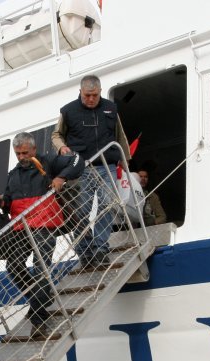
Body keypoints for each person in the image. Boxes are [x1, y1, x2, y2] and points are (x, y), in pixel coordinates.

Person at [2, 131, 83, 336]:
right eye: (18, 154)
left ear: (34, 149)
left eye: (25, 153)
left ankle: (38, 320)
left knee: (41, 270)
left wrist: (60, 177)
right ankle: (42, 298)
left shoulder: (48, 161)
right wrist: (3, 202)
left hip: (45, 224)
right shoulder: (13, 174)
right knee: (13, 266)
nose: (22, 157)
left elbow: (77, 161)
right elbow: (9, 198)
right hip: (21, 227)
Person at [52, 74, 131, 267]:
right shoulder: (68, 111)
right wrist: (61, 147)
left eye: (94, 95)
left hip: (107, 165)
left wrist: (125, 159)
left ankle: (101, 248)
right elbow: (56, 134)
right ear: (80, 92)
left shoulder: (110, 109)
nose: (91, 99)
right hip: (81, 169)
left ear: (100, 92)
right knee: (82, 212)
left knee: (108, 205)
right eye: (87, 95)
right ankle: (85, 251)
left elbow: (119, 135)